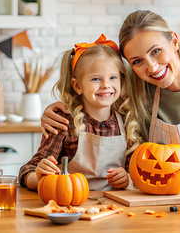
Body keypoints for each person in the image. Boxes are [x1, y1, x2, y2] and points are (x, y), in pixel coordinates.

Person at [40, 10, 180, 189]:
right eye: (137, 61)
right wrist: (56, 110)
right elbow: (95, 100)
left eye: (156, 51)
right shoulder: (139, 90)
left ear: (175, 41)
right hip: (156, 200)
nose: (151, 67)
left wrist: (173, 181)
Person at [19, 34, 142, 191]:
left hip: (114, 208)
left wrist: (127, 178)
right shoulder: (63, 123)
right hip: (71, 203)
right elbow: (27, 170)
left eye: (112, 77)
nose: (106, 85)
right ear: (77, 86)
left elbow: (139, 175)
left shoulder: (127, 123)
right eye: (96, 79)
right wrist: (39, 177)